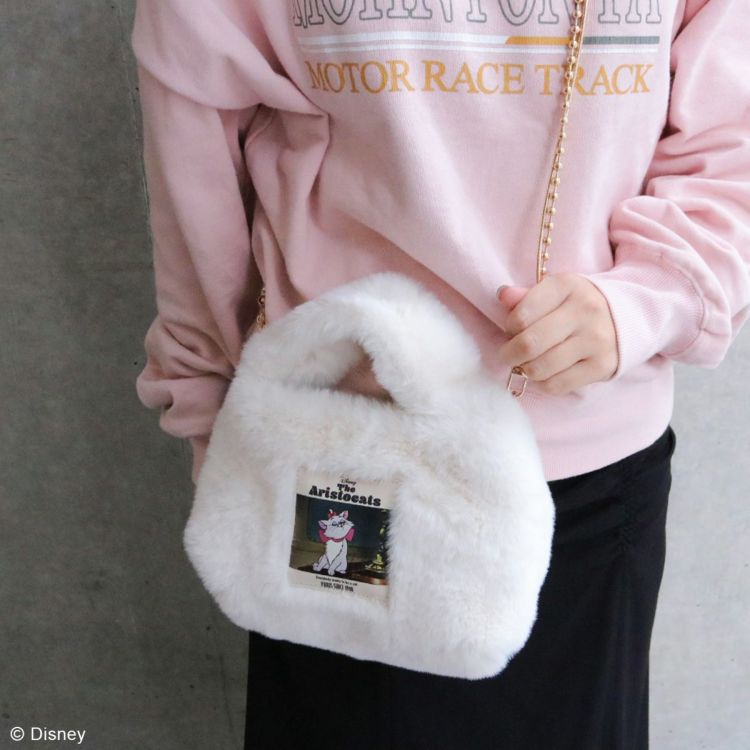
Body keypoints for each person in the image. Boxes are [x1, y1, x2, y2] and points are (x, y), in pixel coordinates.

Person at [130, 1, 750, 748]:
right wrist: (216, 422)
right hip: (346, 456)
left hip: (589, 463)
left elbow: (730, 140)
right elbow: (195, 165)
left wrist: (650, 298)